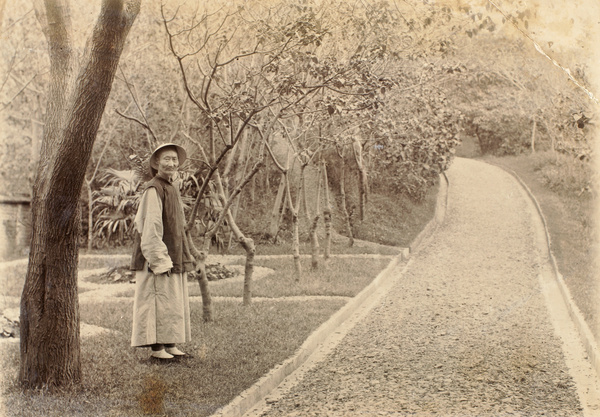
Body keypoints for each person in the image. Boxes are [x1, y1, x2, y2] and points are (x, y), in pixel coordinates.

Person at [130, 143, 194, 359]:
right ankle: (157, 349)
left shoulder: (171, 187)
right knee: (157, 300)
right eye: (167, 159)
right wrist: (159, 260)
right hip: (156, 257)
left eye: (175, 160)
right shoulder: (153, 189)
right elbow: (150, 227)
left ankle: (170, 343)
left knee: (172, 300)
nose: (172, 163)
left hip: (173, 252)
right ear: (156, 162)